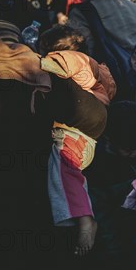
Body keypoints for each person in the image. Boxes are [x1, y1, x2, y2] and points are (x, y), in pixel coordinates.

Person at [38, 24, 116, 256]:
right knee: (69, 169)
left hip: (75, 131)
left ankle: (84, 221)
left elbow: (52, 65)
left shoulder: (69, 59)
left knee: (65, 170)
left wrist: (32, 61)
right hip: (88, 135)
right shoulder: (90, 66)